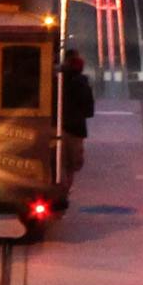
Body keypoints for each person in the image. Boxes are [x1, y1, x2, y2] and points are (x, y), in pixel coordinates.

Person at [59, 47, 96, 195]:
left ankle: (60, 187)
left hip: (57, 126)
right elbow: (89, 111)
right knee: (71, 164)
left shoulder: (58, 81)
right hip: (76, 129)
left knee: (59, 161)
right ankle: (66, 188)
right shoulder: (83, 85)